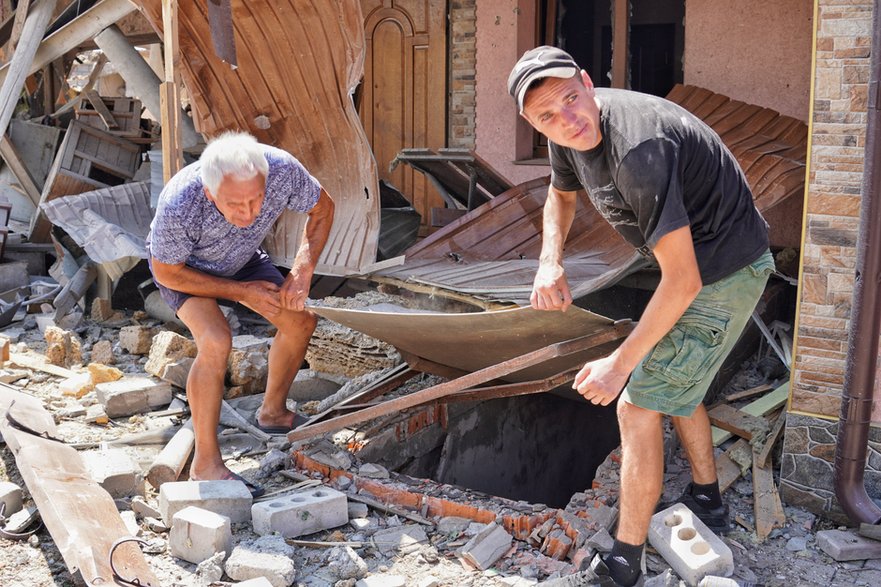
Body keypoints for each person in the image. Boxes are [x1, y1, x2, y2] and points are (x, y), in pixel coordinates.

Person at [508, 47, 774, 586]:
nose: (567, 119)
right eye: (547, 117)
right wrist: (549, 262)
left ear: (587, 82)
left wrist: (619, 365)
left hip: (725, 271)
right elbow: (559, 198)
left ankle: (624, 560)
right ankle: (707, 498)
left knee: (635, 404)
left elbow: (684, 282)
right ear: (532, 124)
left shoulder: (638, 150)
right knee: (678, 381)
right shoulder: (569, 134)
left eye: (570, 99)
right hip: (692, 266)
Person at [146, 131, 335, 497]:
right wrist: (240, 292)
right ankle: (205, 465)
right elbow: (168, 272)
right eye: (236, 205)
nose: (249, 213)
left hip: (241, 258)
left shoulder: (280, 169)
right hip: (187, 271)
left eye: (257, 200)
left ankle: (273, 413)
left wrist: (301, 270)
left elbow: (323, 207)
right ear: (209, 192)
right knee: (217, 340)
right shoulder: (180, 201)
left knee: (300, 322)